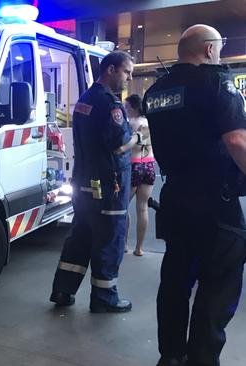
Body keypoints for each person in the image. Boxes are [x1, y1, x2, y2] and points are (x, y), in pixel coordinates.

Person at [144, 24, 246, 366]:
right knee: (218, 287)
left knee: (175, 281)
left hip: (175, 200)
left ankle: (171, 355)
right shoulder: (217, 83)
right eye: (220, 46)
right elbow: (237, 141)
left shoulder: (155, 92)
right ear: (208, 50)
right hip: (216, 205)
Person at [49, 51, 142, 313]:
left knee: (80, 236)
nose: (129, 78)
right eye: (126, 72)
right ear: (111, 70)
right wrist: (136, 138)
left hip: (83, 183)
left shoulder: (85, 100)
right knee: (109, 239)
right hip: (109, 185)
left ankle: (63, 290)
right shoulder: (110, 105)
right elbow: (118, 145)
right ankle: (104, 298)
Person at [125, 94, 155, 256]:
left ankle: (123, 244)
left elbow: (125, 144)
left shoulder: (131, 123)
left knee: (123, 206)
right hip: (149, 164)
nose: (126, 110)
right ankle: (139, 248)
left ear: (134, 108)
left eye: (127, 107)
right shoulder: (151, 122)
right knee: (142, 208)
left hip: (134, 165)